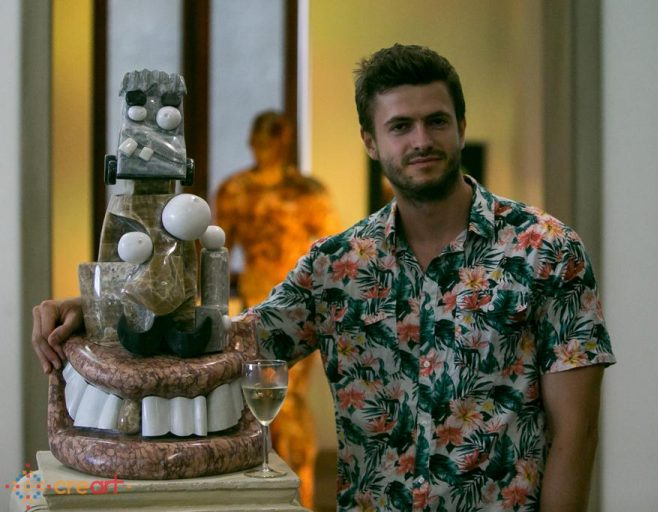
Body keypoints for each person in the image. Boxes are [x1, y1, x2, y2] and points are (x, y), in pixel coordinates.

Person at [32, 43, 615, 511]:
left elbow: (576, 433)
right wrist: (101, 308)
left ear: (461, 127)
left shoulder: (546, 251)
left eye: (436, 121)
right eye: (400, 126)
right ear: (371, 142)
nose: (421, 141)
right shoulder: (337, 267)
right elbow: (235, 341)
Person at [215, 110, 339, 509]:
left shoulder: (308, 192)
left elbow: (334, 252)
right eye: (264, 139)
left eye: (276, 139)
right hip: (259, 305)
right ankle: (268, 494)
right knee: (262, 401)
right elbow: (215, 254)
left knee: (290, 402)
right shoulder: (237, 190)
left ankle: (301, 495)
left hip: (303, 306)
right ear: (254, 141)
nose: (268, 147)